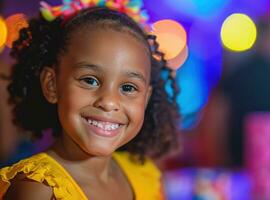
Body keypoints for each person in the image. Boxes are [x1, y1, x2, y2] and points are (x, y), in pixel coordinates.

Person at [0, 0, 179, 199]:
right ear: (52, 85)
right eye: (90, 80)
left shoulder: (144, 174)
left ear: (145, 99)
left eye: (128, 87)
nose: (109, 101)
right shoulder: (38, 188)